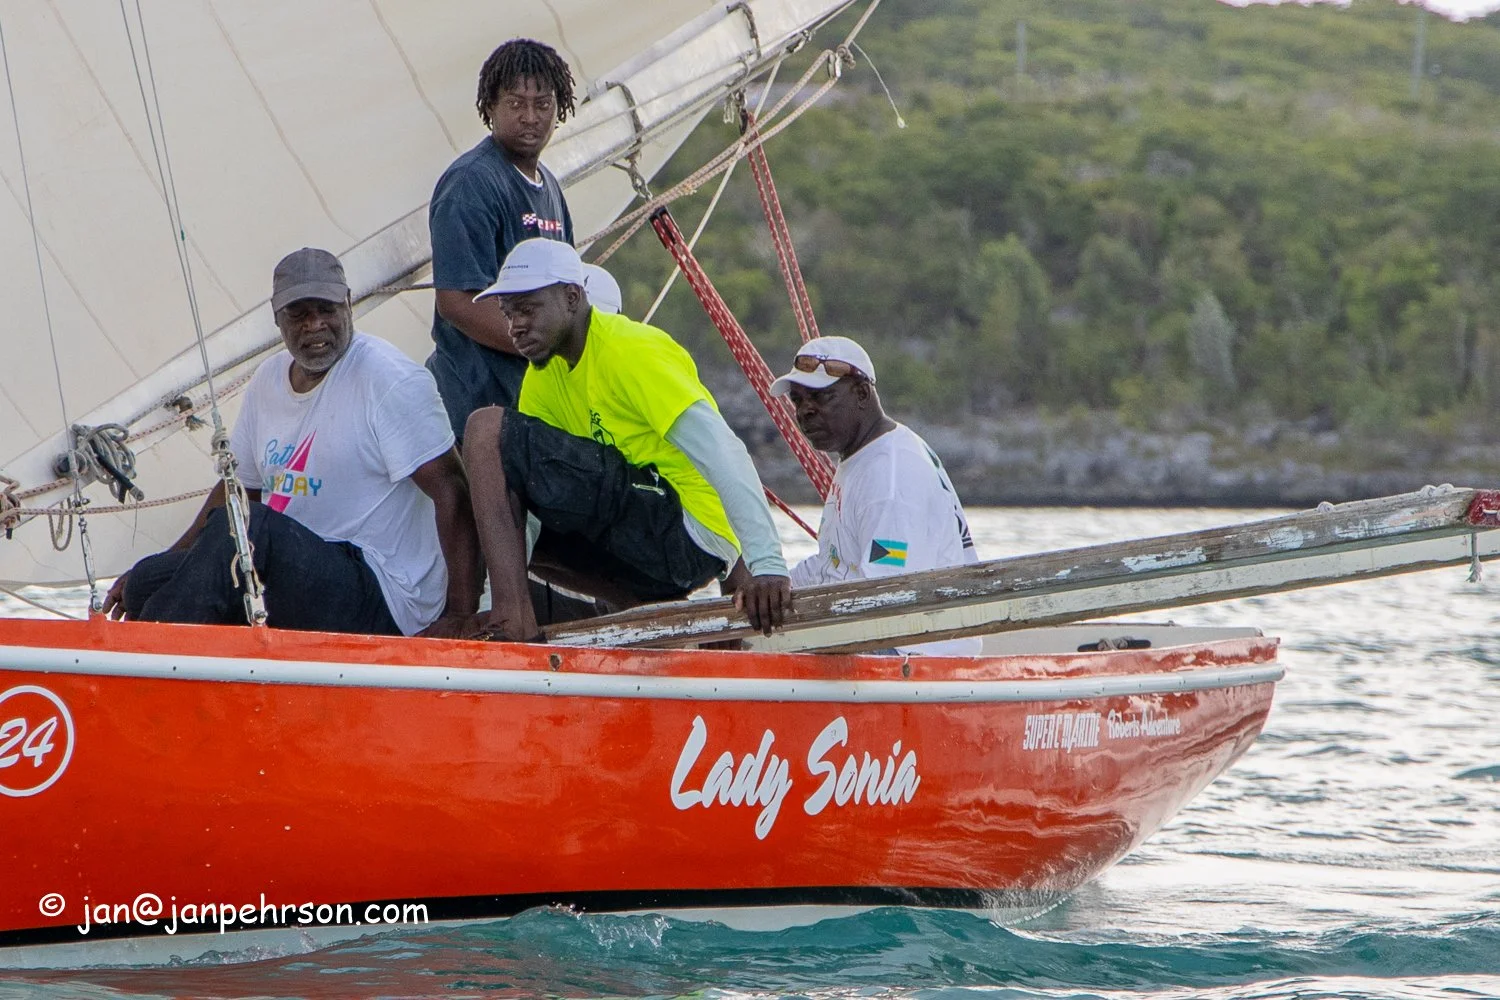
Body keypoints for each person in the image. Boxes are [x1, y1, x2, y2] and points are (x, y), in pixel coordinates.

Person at [103, 248, 481, 638]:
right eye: (299, 314)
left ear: (348, 303)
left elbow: (454, 492)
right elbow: (237, 494)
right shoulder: (267, 381)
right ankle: (158, 662)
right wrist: (168, 559)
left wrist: (459, 615)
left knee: (247, 532)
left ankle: (156, 659)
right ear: (276, 318)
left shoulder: (388, 379)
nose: (315, 325)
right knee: (147, 579)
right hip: (303, 572)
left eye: (327, 309)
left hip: (385, 592)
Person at [461, 238, 793, 641]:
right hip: (646, 550)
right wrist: (484, 603)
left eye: (528, 310)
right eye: (508, 314)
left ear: (571, 298)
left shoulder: (632, 349)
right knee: (510, 511)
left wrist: (768, 565)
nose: (515, 327)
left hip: (688, 532)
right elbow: (519, 506)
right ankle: (646, 614)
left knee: (485, 429)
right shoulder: (541, 378)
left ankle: (512, 622)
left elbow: (724, 452)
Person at [769, 336, 981, 655]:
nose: (805, 411)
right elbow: (835, 564)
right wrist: (774, 587)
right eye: (798, 400)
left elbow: (882, 596)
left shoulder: (890, 478)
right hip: (894, 639)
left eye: (821, 397)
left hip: (916, 654)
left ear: (862, 394)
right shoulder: (865, 455)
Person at [427, 38, 577, 441]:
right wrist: (549, 343)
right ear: (489, 107)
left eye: (543, 104)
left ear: (558, 108)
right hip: (476, 403)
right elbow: (457, 302)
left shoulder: (550, 189)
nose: (530, 117)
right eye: (515, 104)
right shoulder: (469, 184)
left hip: (531, 401)